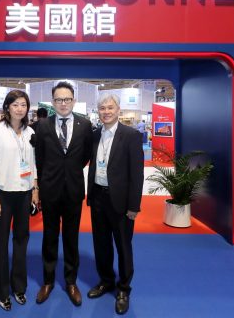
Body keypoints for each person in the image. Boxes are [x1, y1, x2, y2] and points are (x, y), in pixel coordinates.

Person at [34, 81, 92, 306]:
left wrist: (70, 171)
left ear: (74, 101)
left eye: (67, 99)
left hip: (74, 191)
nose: (63, 103)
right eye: (59, 99)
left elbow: (85, 156)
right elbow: (39, 159)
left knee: (71, 237)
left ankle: (71, 282)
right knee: (49, 237)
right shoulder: (42, 126)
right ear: (53, 102)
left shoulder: (85, 125)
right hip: (50, 190)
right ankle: (48, 281)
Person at [86, 93, 144, 315]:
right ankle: (106, 281)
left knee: (123, 246)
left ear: (118, 109)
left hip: (121, 201)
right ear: (98, 111)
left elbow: (137, 174)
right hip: (98, 197)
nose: (106, 112)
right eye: (102, 108)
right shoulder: (94, 135)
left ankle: (123, 289)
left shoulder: (131, 136)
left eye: (110, 107)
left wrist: (134, 206)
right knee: (101, 244)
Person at [0, 90, 38, 311]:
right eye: (15, 104)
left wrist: (35, 190)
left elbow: (33, 163)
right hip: (3, 194)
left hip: (24, 193)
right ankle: (1, 291)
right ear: (7, 107)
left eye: (23, 105)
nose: (19, 109)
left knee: (21, 241)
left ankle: (19, 287)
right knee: (1, 243)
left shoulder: (30, 132)